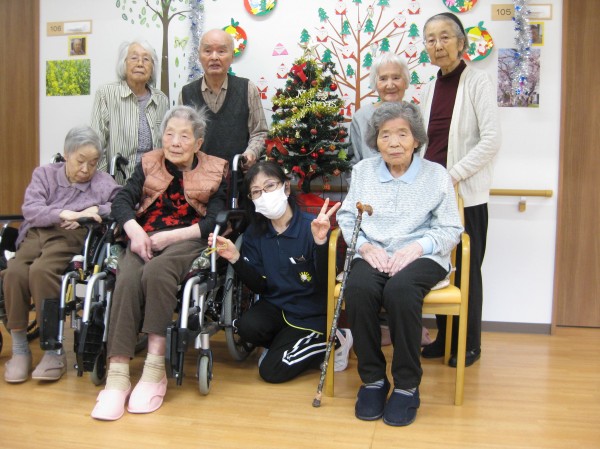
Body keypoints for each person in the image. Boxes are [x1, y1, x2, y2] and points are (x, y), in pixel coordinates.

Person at [90, 105, 228, 421]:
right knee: (126, 278)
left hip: (187, 238)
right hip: (145, 236)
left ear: (198, 142)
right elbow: (122, 201)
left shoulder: (215, 169)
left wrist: (172, 237)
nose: (175, 142)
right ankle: (118, 374)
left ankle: (154, 369)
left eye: (184, 136)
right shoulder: (149, 162)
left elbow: (215, 219)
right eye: (169, 134)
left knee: (157, 272)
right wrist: (134, 230)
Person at [336, 101, 463, 426]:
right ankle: (373, 380)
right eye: (385, 135)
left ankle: (407, 385)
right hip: (374, 250)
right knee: (358, 288)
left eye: (402, 134)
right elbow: (347, 216)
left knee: (401, 291)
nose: (394, 142)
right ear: (375, 141)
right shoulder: (364, 172)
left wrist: (418, 247)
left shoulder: (436, 175)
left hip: (424, 254)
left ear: (416, 139)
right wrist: (364, 247)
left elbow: (451, 228)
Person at [209, 161, 353, 383]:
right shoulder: (254, 234)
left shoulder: (312, 226)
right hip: (278, 306)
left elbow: (326, 283)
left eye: (269, 186)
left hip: (310, 313)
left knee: (271, 371)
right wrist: (235, 258)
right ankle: (285, 345)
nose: (264, 195)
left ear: (285, 187)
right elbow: (260, 286)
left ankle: (334, 339)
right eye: (256, 192)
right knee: (247, 328)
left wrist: (320, 243)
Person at [2, 126, 120, 383]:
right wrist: (62, 213)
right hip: (36, 233)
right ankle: (20, 349)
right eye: (80, 161)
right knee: (14, 273)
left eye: (93, 163)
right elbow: (31, 208)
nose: (86, 169)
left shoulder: (102, 182)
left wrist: (94, 210)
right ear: (67, 154)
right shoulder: (44, 174)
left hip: (69, 236)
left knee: (41, 271)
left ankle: (53, 350)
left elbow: (122, 203)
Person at [419, 12, 501, 368]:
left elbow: (491, 140)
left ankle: (469, 343)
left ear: (461, 42)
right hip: (433, 196)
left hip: (467, 196)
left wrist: (453, 175)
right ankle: (445, 338)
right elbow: (424, 143)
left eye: (444, 37)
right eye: (430, 39)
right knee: (439, 266)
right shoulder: (428, 88)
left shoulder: (478, 81)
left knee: (467, 268)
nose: (437, 45)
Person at [180, 28, 267, 170]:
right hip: (199, 177)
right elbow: (182, 136)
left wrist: (251, 153)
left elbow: (260, 132)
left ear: (232, 56)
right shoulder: (186, 93)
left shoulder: (247, 88)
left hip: (238, 174)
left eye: (221, 51)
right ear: (199, 55)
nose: (214, 57)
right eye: (208, 51)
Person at [91, 39, 169, 184]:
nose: (140, 63)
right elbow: (96, 144)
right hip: (117, 183)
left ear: (152, 68)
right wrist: (104, 184)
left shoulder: (161, 99)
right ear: (124, 64)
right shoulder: (106, 94)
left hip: (153, 183)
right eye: (134, 58)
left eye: (146, 59)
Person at [348, 52, 409, 165]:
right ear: (375, 83)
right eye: (383, 79)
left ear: (405, 81)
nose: (390, 85)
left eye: (396, 78)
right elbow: (353, 162)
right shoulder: (362, 117)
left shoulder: (416, 114)